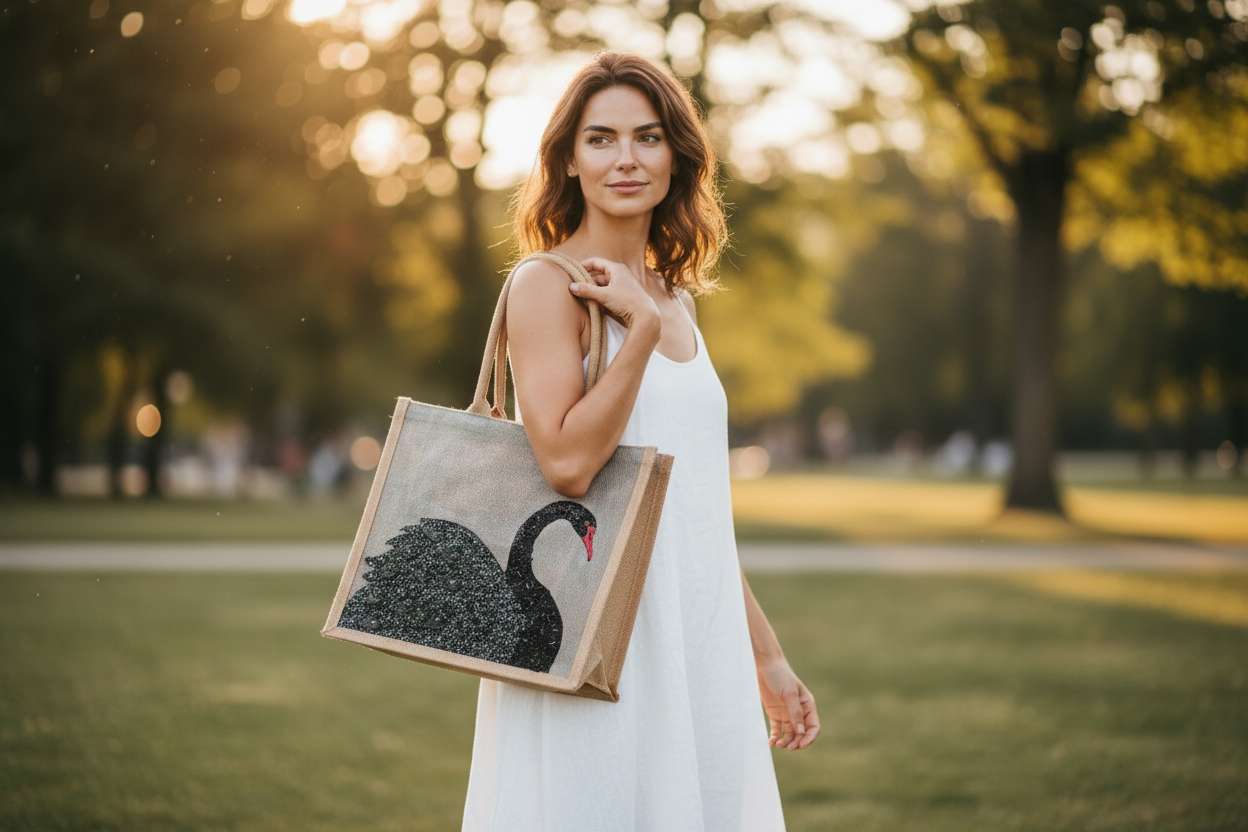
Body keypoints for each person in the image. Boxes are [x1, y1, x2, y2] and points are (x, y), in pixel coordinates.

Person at [461, 51, 820, 832]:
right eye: (601, 139)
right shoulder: (545, 284)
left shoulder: (677, 298)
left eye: (647, 137)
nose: (625, 158)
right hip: (599, 635)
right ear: (569, 160)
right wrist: (640, 333)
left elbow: (694, 513)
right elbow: (566, 465)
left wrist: (765, 655)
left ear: (676, 157)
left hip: (696, 636)